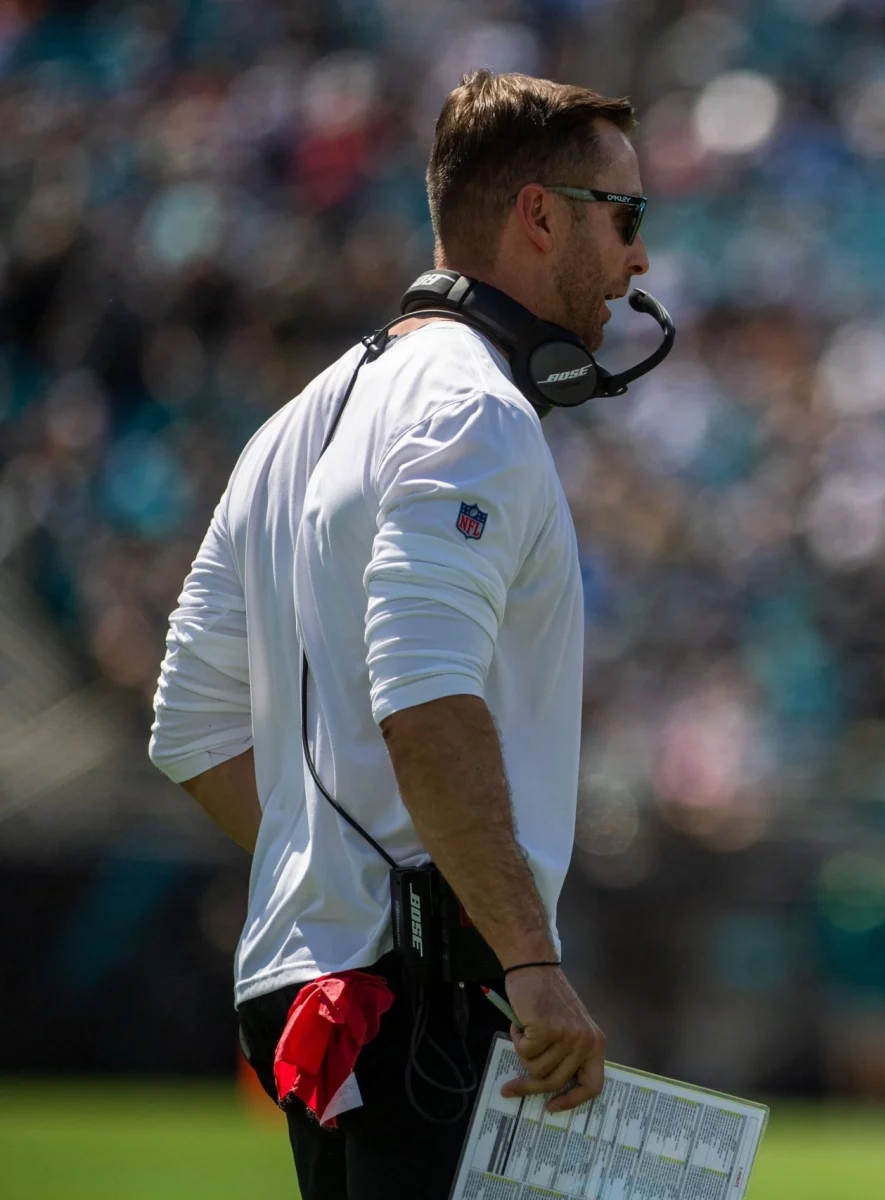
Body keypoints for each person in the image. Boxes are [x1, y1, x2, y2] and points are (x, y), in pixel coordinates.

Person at [147, 72, 650, 1199]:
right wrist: (519, 957)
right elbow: (424, 698)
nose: (639, 261)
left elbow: (188, 727)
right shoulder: (474, 407)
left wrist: (336, 868)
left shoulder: (293, 421)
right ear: (539, 214)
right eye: (627, 216)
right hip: (422, 996)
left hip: (320, 988)